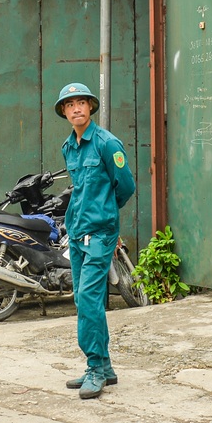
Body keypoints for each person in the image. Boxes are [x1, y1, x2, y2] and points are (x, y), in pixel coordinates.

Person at [54, 82, 135, 400]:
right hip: (76, 232)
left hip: (100, 234)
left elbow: (125, 185)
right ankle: (105, 366)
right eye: (69, 104)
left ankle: (95, 370)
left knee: (89, 300)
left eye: (81, 103)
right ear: (63, 111)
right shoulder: (68, 147)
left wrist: (105, 212)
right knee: (83, 300)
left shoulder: (107, 143)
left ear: (90, 108)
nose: (76, 108)